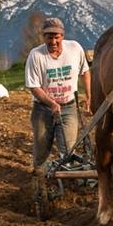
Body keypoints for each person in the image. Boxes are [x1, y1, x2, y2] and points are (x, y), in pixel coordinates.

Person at [24, 17, 91, 177]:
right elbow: (34, 86)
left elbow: (85, 71)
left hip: (68, 106)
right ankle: (40, 180)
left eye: (56, 37)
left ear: (62, 36)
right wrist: (51, 103)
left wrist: (89, 96)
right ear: (43, 37)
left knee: (68, 149)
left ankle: (66, 179)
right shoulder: (36, 55)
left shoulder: (75, 48)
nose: (53, 41)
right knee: (42, 147)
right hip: (43, 108)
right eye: (49, 37)